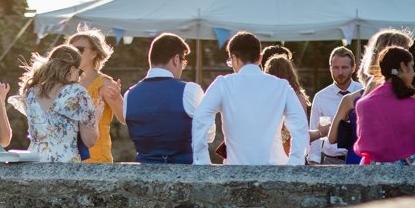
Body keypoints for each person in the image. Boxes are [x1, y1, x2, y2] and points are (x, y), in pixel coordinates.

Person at [192, 31, 306, 165]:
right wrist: (295, 162)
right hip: (275, 168)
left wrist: (202, 160)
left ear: (234, 58)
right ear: (260, 58)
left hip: (236, 168)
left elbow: (200, 118)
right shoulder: (282, 86)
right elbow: (300, 124)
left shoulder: (223, 84)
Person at [326, 28, 414, 165]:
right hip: (376, 163)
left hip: (356, 160)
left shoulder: (352, 99)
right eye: (405, 52)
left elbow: (332, 138)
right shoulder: (391, 92)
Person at [122, 33, 206, 164]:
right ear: (176, 59)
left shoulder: (129, 95)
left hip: (143, 175)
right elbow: (207, 134)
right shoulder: (190, 90)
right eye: (184, 62)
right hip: (183, 174)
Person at [8, 45, 97, 162]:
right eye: (79, 71)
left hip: (35, 161)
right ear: (71, 69)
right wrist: (96, 118)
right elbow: (90, 141)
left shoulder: (30, 93)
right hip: (66, 162)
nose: (79, 76)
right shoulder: (77, 93)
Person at [353, 46, 415, 165]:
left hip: (374, 176)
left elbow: (364, 145)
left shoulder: (363, 105)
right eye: (412, 66)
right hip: (410, 175)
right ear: (403, 67)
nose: (414, 73)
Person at [67, 27, 125, 163]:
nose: (72, 54)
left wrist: (116, 99)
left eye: (79, 50)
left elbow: (124, 118)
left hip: (96, 159)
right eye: (69, 50)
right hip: (67, 158)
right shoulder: (64, 83)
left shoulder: (105, 83)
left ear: (94, 54)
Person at [308, 46, 363, 164]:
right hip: (331, 160)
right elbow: (314, 130)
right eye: (336, 68)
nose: (340, 72)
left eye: (344, 67)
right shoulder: (321, 97)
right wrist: (314, 161)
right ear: (330, 68)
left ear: (353, 68)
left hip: (359, 160)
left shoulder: (363, 92)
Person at [263, 55, 324, 157]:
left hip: (269, 153)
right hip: (292, 154)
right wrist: (321, 132)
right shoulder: (298, 98)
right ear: (291, 74)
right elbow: (302, 132)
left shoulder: (264, 98)